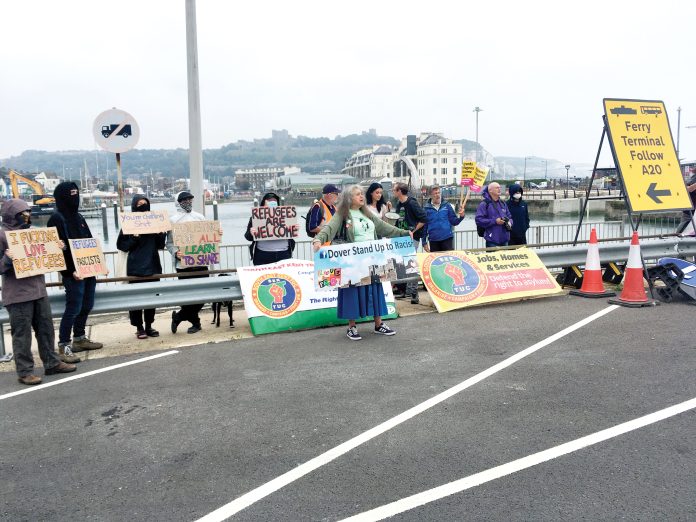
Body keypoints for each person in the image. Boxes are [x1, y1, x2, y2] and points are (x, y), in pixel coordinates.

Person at [312, 185, 412, 341]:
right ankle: (351, 327)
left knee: (375, 289)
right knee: (352, 290)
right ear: (349, 198)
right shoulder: (342, 214)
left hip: (372, 258)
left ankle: (379, 324)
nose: (361, 196)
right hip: (352, 261)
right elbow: (329, 229)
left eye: (361, 194)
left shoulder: (367, 214)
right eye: (357, 194)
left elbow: (385, 228)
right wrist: (318, 240)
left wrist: (404, 233)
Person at [0, 199, 76, 385]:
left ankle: (51, 363)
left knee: (46, 330)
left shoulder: (32, 234)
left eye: (28, 212)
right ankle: (25, 372)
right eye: (23, 213)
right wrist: (7, 259)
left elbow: (45, 256)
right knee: (22, 335)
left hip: (38, 290)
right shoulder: (2, 235)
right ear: (13, 215)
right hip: (18, 295)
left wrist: (58, 249)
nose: (27, 216)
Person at [47, 181, 103, 363]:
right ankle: (64, 345)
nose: (75, 198)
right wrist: (69, 272)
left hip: (88, 270)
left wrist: (98, 264)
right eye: (71, 195)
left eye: (76, 194)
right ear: (62, 197)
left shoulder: (79, 217)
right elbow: (55, 250)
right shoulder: (56, 219)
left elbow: (88, 243)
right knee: (73, 308)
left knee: (87, 305)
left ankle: (79, 338)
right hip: (73, 274)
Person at [116, 195, 166, 339]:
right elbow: (121, 246)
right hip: (135, 268)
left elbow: (159, 245)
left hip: (153, 265)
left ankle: (149, 325)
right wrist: (134, 237)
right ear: (133, 206)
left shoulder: (155, 223)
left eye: (145, 203)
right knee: (136, 300)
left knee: (152, 299)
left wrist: (161, 234)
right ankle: (139, 327)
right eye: (139, 204)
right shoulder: (128, 224)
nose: (143, 205)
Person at [166, 191, 211, 334]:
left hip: (201, 262)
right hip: (183, 265)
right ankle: (196, 323)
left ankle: (179, 317)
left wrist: (217, 234)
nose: (187, 201)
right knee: (189, 296)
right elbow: (169, 243)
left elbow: (209, 237)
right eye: (184, 199)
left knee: (204, 294)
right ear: (178, 202)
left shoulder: (200, 217)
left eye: (189, 199)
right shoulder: (172, 220)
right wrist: (175, 253)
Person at [393, 182, 427, 304]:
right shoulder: (398, 204)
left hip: (412, 238)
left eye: (394, 190)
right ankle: (403, 290)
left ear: (399, 191)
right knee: (401, 263)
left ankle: (414, 293)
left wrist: (413, 230)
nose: (393, 191)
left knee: (411, 263)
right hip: (401, 237)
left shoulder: (411, 203)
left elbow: (424, 218)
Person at [244, 192, 296, 265]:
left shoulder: (285, 216)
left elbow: (291, 234)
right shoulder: (256, 217)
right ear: (263, 204)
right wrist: (251, 232)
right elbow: (247, 236)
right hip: (263, 255)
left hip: (284, 254)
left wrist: (294, 228)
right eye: (269, 203)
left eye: (274, 203)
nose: (271, 206)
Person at [422, 185, 465, 252]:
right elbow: (424, 226)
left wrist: (461, 217)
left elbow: (454, 222)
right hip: (433, 240)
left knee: (449, 261)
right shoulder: (426, 208)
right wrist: (424, 242)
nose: (438, 195)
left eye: (439, 193)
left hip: (447, 239)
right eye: (435, 193)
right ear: (431, 195)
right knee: (436, 261)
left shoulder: (447, 205)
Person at [475, 182, 513, 248]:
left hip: (505, 239)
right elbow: (479, 220)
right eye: (497, 188)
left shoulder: (503, 203)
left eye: (500, 187)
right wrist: (495, 221)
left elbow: (509, 216)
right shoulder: (484, 204)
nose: (499, 189)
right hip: (492, 240)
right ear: (490, 190)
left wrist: (509, 222)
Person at [676, 166, 696, 234]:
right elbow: (688, 189)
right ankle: (675, 238)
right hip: (690, 210)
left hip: (690, 209)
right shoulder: (693, 179)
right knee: (681, 230)